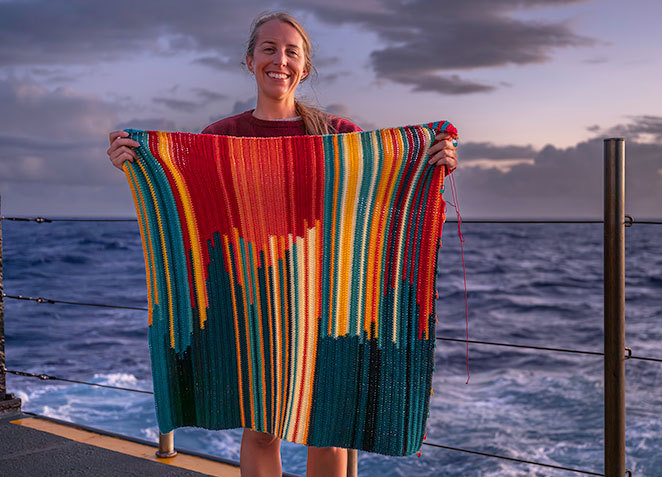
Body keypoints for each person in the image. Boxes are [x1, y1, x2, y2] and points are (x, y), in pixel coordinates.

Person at [106, 11, 459, 477]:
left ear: (305, 67)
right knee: (260, 430)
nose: (280, 59)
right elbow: (188, 204)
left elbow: (377, 197)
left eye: (292, 51)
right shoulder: (220, 138)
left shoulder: (336, 135)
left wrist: (432, 161)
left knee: (328, 433)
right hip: (252, 306)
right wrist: (136, 160)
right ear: (250, 60)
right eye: (269, 48)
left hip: (328, 307)